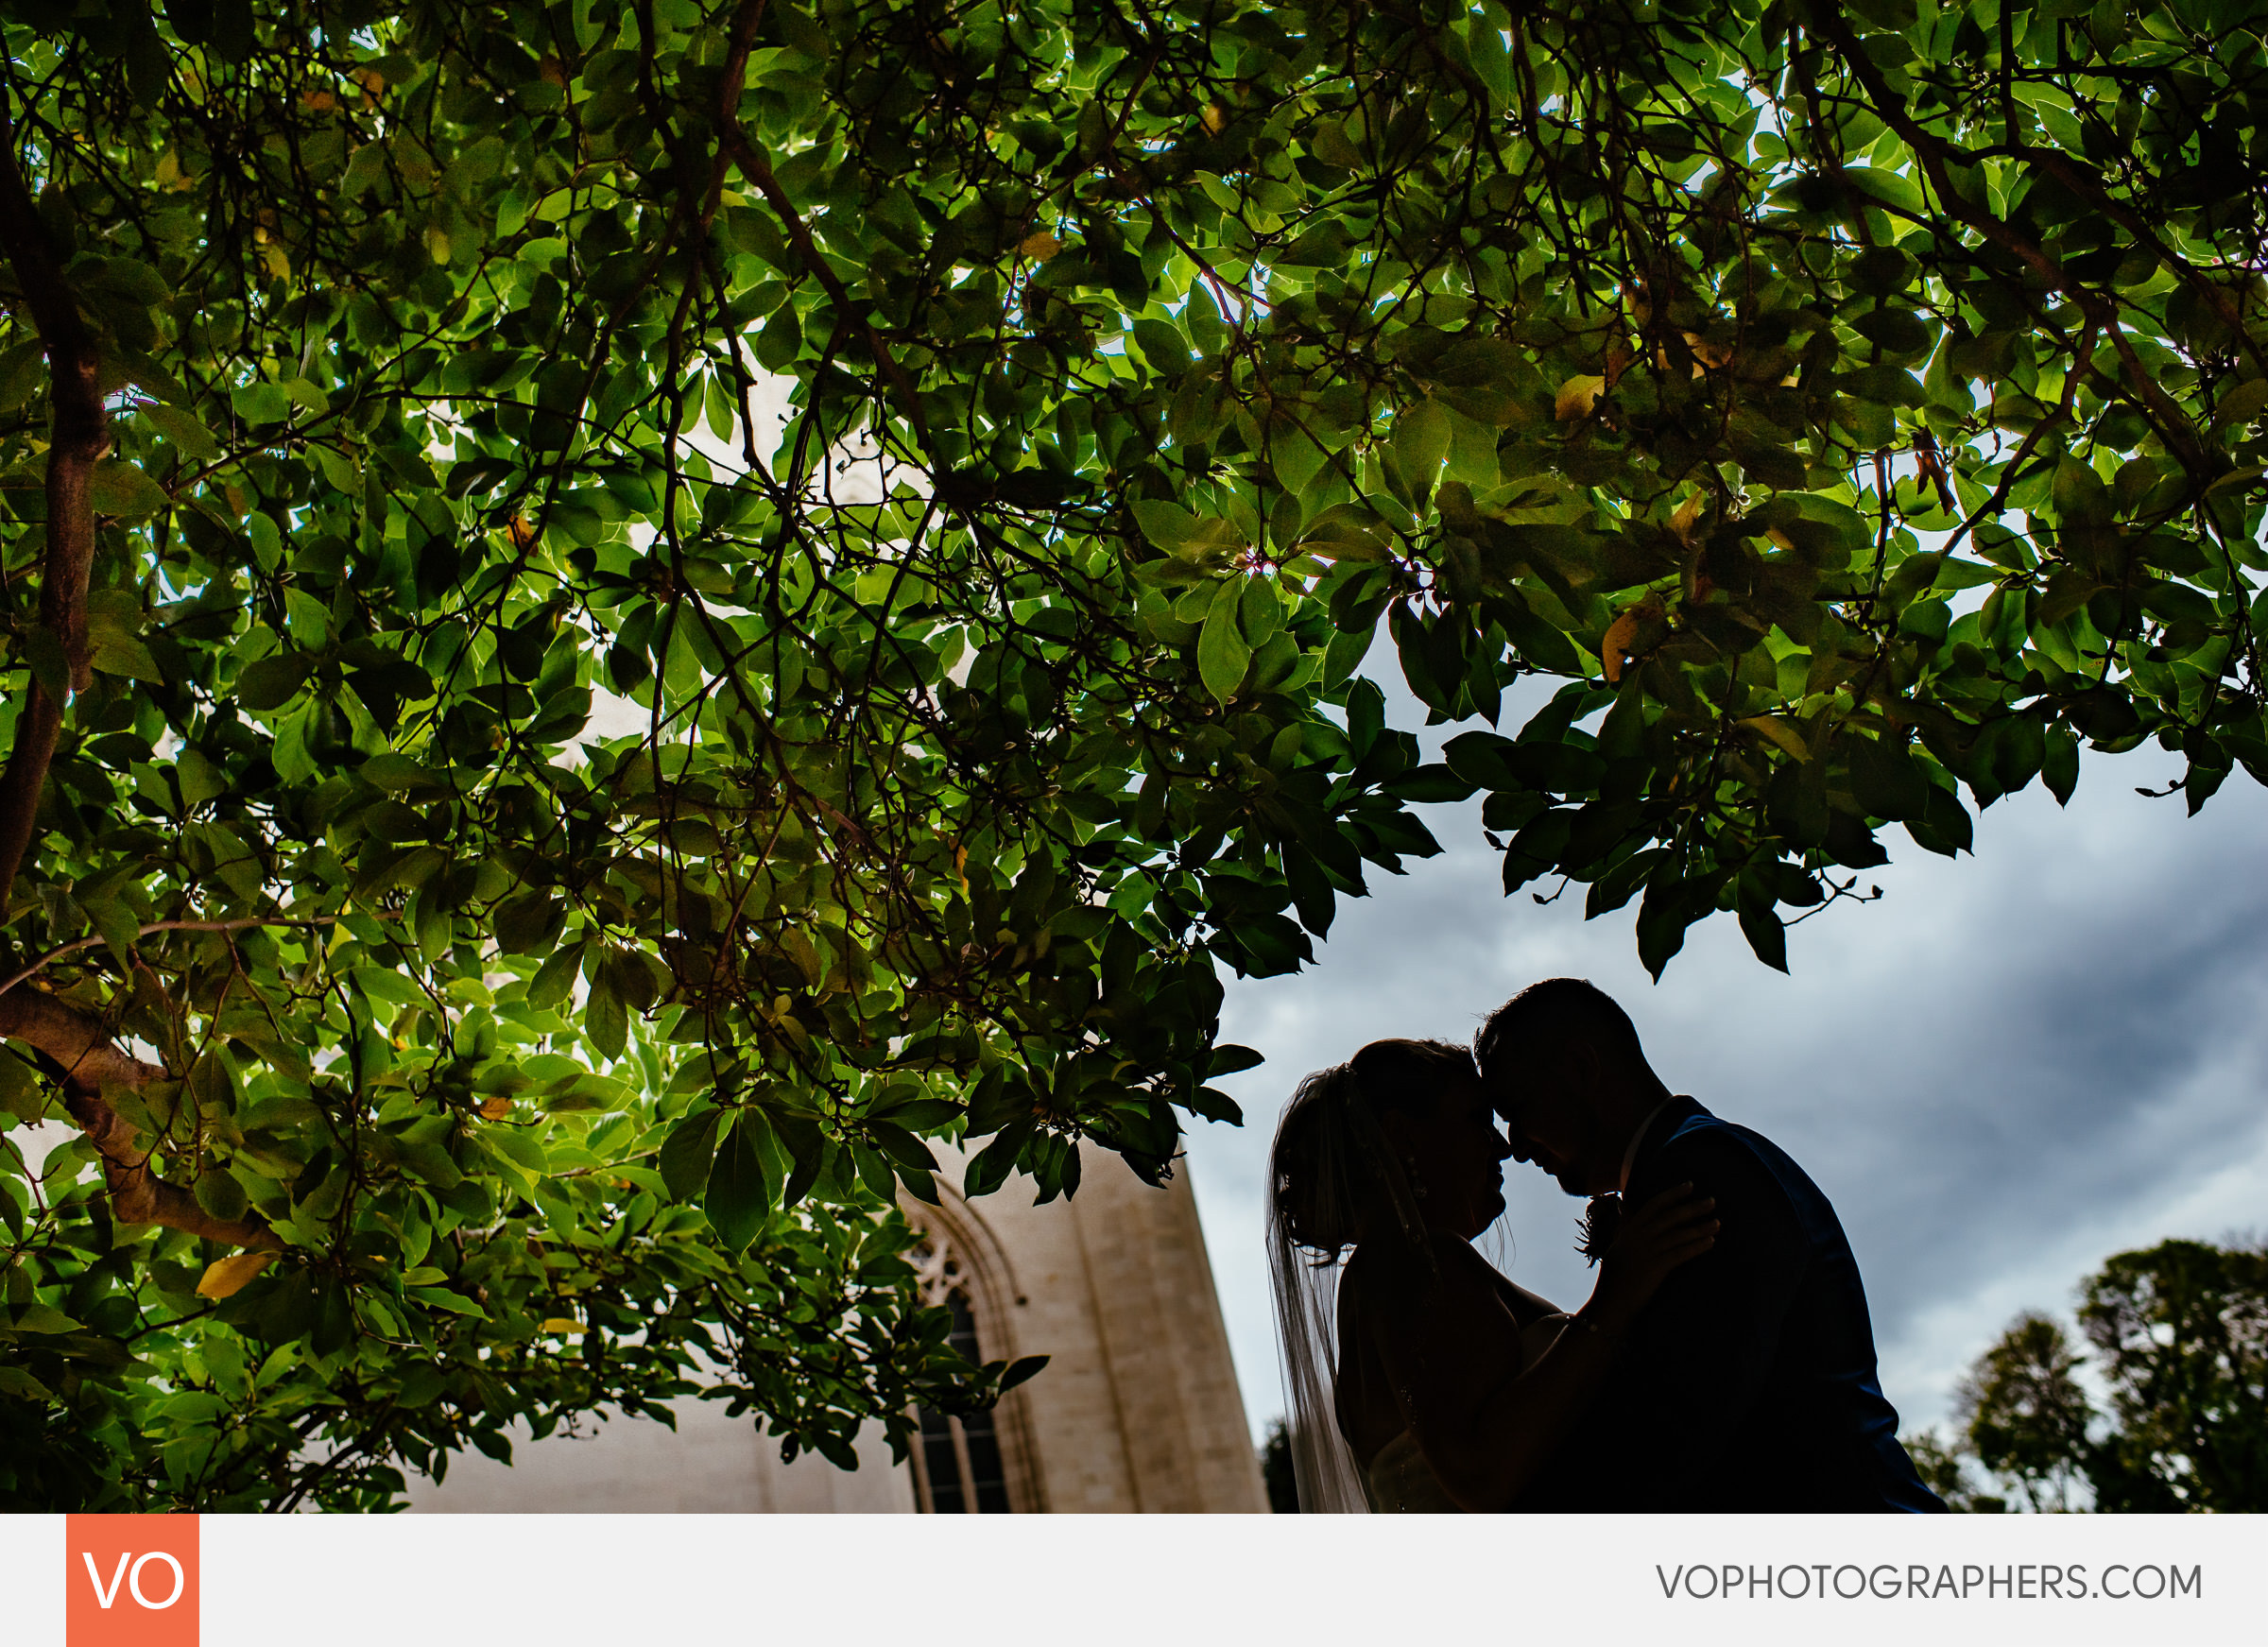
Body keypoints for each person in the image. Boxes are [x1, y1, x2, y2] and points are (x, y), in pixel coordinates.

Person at [1477, 977, 1945, 1512]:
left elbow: (1683, 1420)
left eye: (1517, 1109)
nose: (1513, 1146)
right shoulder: (1694, 1161)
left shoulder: (1700, 1171)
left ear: (1580, 1070)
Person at [1266, 1037, 1718, 1511]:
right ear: (1404, 1137)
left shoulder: (1381, 1280)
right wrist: (1618, 1295)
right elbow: (1477, 1472)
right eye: (1478, 1120)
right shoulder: (1408, 1263)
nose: (1503, 1147)